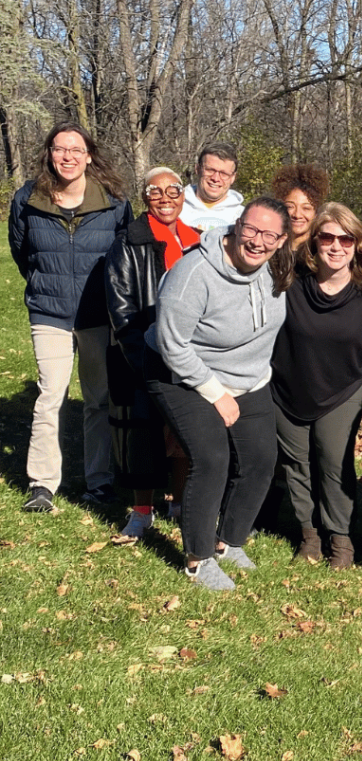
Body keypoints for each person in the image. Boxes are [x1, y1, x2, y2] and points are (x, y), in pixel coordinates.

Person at [146, 197, 290, 590]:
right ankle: (199, 558)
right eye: (251, 229)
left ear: (281, 240)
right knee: (211, 458)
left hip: (249, 377)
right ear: (236, 225)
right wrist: (214, 392)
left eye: (269, 235)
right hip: (182, 372)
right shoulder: (195, 272)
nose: (258, 241)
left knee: (261, 459)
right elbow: (171, 343)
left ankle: (230, 541)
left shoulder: (277, 263)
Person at [10, 121, 132, 512]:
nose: (68, 157)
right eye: (60, 149)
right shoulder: (28, 199)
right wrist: (46, 284)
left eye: (76, 150)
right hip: (50, 312)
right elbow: (21, 250)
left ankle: (99, 481)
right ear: (49, 153)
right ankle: (42, 485)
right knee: (50, 396)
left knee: (98, 399)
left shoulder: (113, 201)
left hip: (98, 315)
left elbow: (124, 254)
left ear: (88, 156)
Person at [271, 203, 362, 570]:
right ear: (315, 241)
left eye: (346, 238)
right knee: (296, 463)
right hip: (287, 388)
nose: (336, 246)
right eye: (327, 237)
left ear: (357, 243)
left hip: (342, 391)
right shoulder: (290, 281)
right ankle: (309, 534)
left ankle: (340, 539)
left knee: (335, 465)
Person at [105, 167, 199, 536]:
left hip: (190, 355)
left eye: (173, 190)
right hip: (143, 354)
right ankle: (142, 511)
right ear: (145, 197)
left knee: (183, 434)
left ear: (183, 196)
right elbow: (121, 309)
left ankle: (178, 504)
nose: (165, 198)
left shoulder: (198, 240)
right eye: (155, 192)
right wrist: (143, 358)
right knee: (143, 435)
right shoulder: (128, 242)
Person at [179, 142, 244, 232]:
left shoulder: (243, 217)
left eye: (224, 173)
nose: (215, 178)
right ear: (197, 169)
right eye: (210, 170)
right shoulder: (176, 207)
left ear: (233, 177)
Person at [271, 164, 331, 257]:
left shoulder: (323, 255)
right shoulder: (268, 251)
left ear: (316, 213)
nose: (297, 215)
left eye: (306, 208)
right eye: (290, 207)